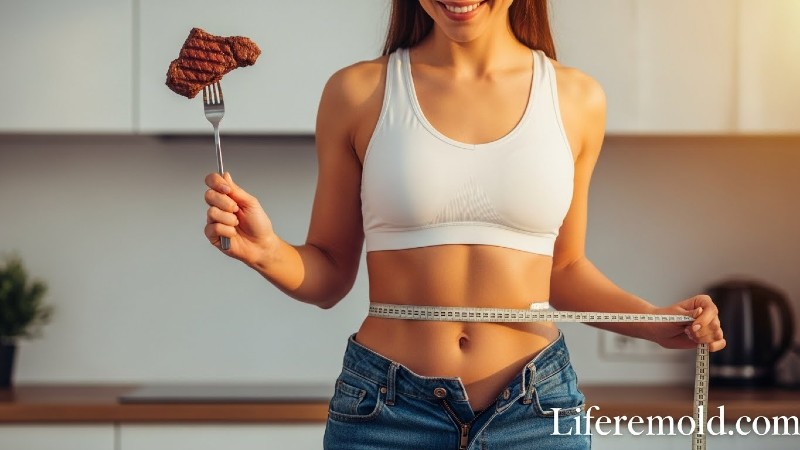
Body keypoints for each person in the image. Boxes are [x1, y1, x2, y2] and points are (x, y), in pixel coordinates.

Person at [203, 1, 727, 448]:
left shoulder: (577, 99)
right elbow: (330, 274)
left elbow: (563, 271)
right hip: (387, 414)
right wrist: (267, 252)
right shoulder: (358, 92)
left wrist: (653, 322)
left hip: (535, 414)